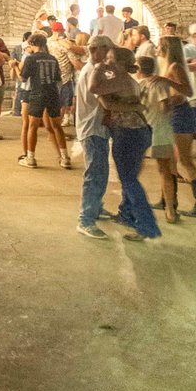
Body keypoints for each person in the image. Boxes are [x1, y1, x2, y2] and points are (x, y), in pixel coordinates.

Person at [89, 47, 161, 241]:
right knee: (129, 178)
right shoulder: (126, 80)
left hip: (128, 133)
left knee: (129, 180)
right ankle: (128, 215)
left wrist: (97, 68)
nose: (107, 61)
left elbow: (94, 88)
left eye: (111, 58)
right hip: (137, 132)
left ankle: (147, 226)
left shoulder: (121, 80)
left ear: (121, 63)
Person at [156, 37, 196, 218]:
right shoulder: (166, 65)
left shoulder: (174, 67)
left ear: (166, 48)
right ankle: (168, 200)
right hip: (171, 114)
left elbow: (186, 92)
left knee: (185, 161)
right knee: (170, 161)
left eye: (159, 45)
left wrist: (166, 82)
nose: (156, 48)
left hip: (180, 114)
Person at [74, 36, 116, 239]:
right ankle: (86, 219)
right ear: (97, 50)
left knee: (100, 171)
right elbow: (106, 100)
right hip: (92, 128)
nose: (111, 54)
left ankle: (96, 208)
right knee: (95, 174)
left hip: (95, 128)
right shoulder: (93, 71)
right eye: (108, 49)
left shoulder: (95, 69)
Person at [136, 56, 181, 224]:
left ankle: (133, 206)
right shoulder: (159, 83)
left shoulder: (137, 84)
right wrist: (173, 102)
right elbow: (164, 106)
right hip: (160, 129)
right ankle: (169, 209)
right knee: (165, 171)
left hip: (141, 128)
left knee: (135, 171)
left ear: (138, 69)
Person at [19, 32, 69, 169]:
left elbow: (23, 78)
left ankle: (30, 158)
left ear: (32, 44)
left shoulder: (30, 59)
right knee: (56, 126)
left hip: (37, 93)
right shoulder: (52, 58)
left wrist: (14, 66)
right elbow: (58, 78)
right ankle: (65, 157)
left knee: (33, 126)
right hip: (53, 93)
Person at [49, 23, 83, 128]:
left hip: (50, 78)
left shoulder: (47, 43)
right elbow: (76, 64)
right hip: (64, 78)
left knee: (52, 105)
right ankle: (57, 131)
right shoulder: (64, 44)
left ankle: (52, 130)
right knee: (62, 105)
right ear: (61, 31)